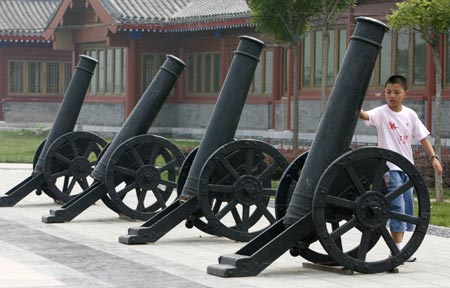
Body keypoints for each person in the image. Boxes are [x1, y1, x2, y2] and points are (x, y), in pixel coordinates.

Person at [359, 74, 443, 262]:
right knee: (397, 207)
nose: (392, 96)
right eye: (388, 92)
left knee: (407, 208)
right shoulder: (381, 113)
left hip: (407, 170)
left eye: (397, 92)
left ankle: (399, 248)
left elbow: (422, 138)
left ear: (405, 93)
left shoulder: (410, 115)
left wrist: (434, 158)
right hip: (389, 168)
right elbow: (365, 116)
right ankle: (396, 250)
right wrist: (354, 104)